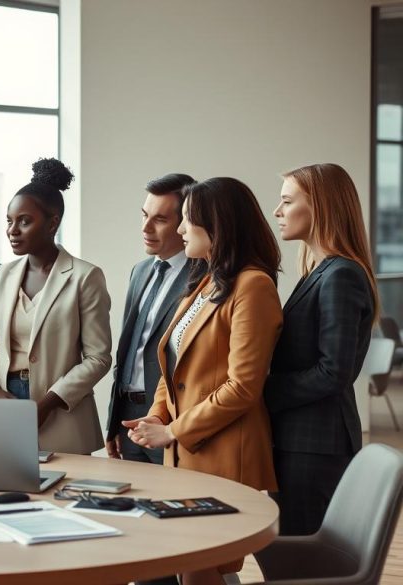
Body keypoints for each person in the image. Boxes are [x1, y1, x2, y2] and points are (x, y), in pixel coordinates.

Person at [125, 177, 282, 585]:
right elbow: (172, 368)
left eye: (187, 220)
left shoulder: (254, 286)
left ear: (217, 226)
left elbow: (243, 386)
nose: (179, 230)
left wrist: (174, 430)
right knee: (186, 570)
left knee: (201, 571)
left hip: (223, 454)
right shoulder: (208, 281)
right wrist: (158, 418)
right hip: (186, 455)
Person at [265, 163, 378, 536]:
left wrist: (263, 393)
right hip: (302, 441)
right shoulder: (319, 271)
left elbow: (334, 371)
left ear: (320, 207)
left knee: (301, 560)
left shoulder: (341, 275)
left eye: (286, 201)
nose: (277, 211)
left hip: (315, 446)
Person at [0, 158, 111, 455]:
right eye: (9, 221)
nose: (13, 230)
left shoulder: (85, 276)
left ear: (53, 223)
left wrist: (48, 402)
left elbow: (99, 358)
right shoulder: (3, 274)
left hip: (62, 412)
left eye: (25, 221)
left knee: (64, 497)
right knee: (6, 495)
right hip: (6, 408)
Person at [105, 174, 196, 467]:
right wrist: (113, 422)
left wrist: (170, 422)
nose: (146, 227)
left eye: (159, 219)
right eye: (144, 215)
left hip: (168, 419)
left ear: (184, 222)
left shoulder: (203, 276)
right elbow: (128, 349)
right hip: (128, 420)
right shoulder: (140, 271)